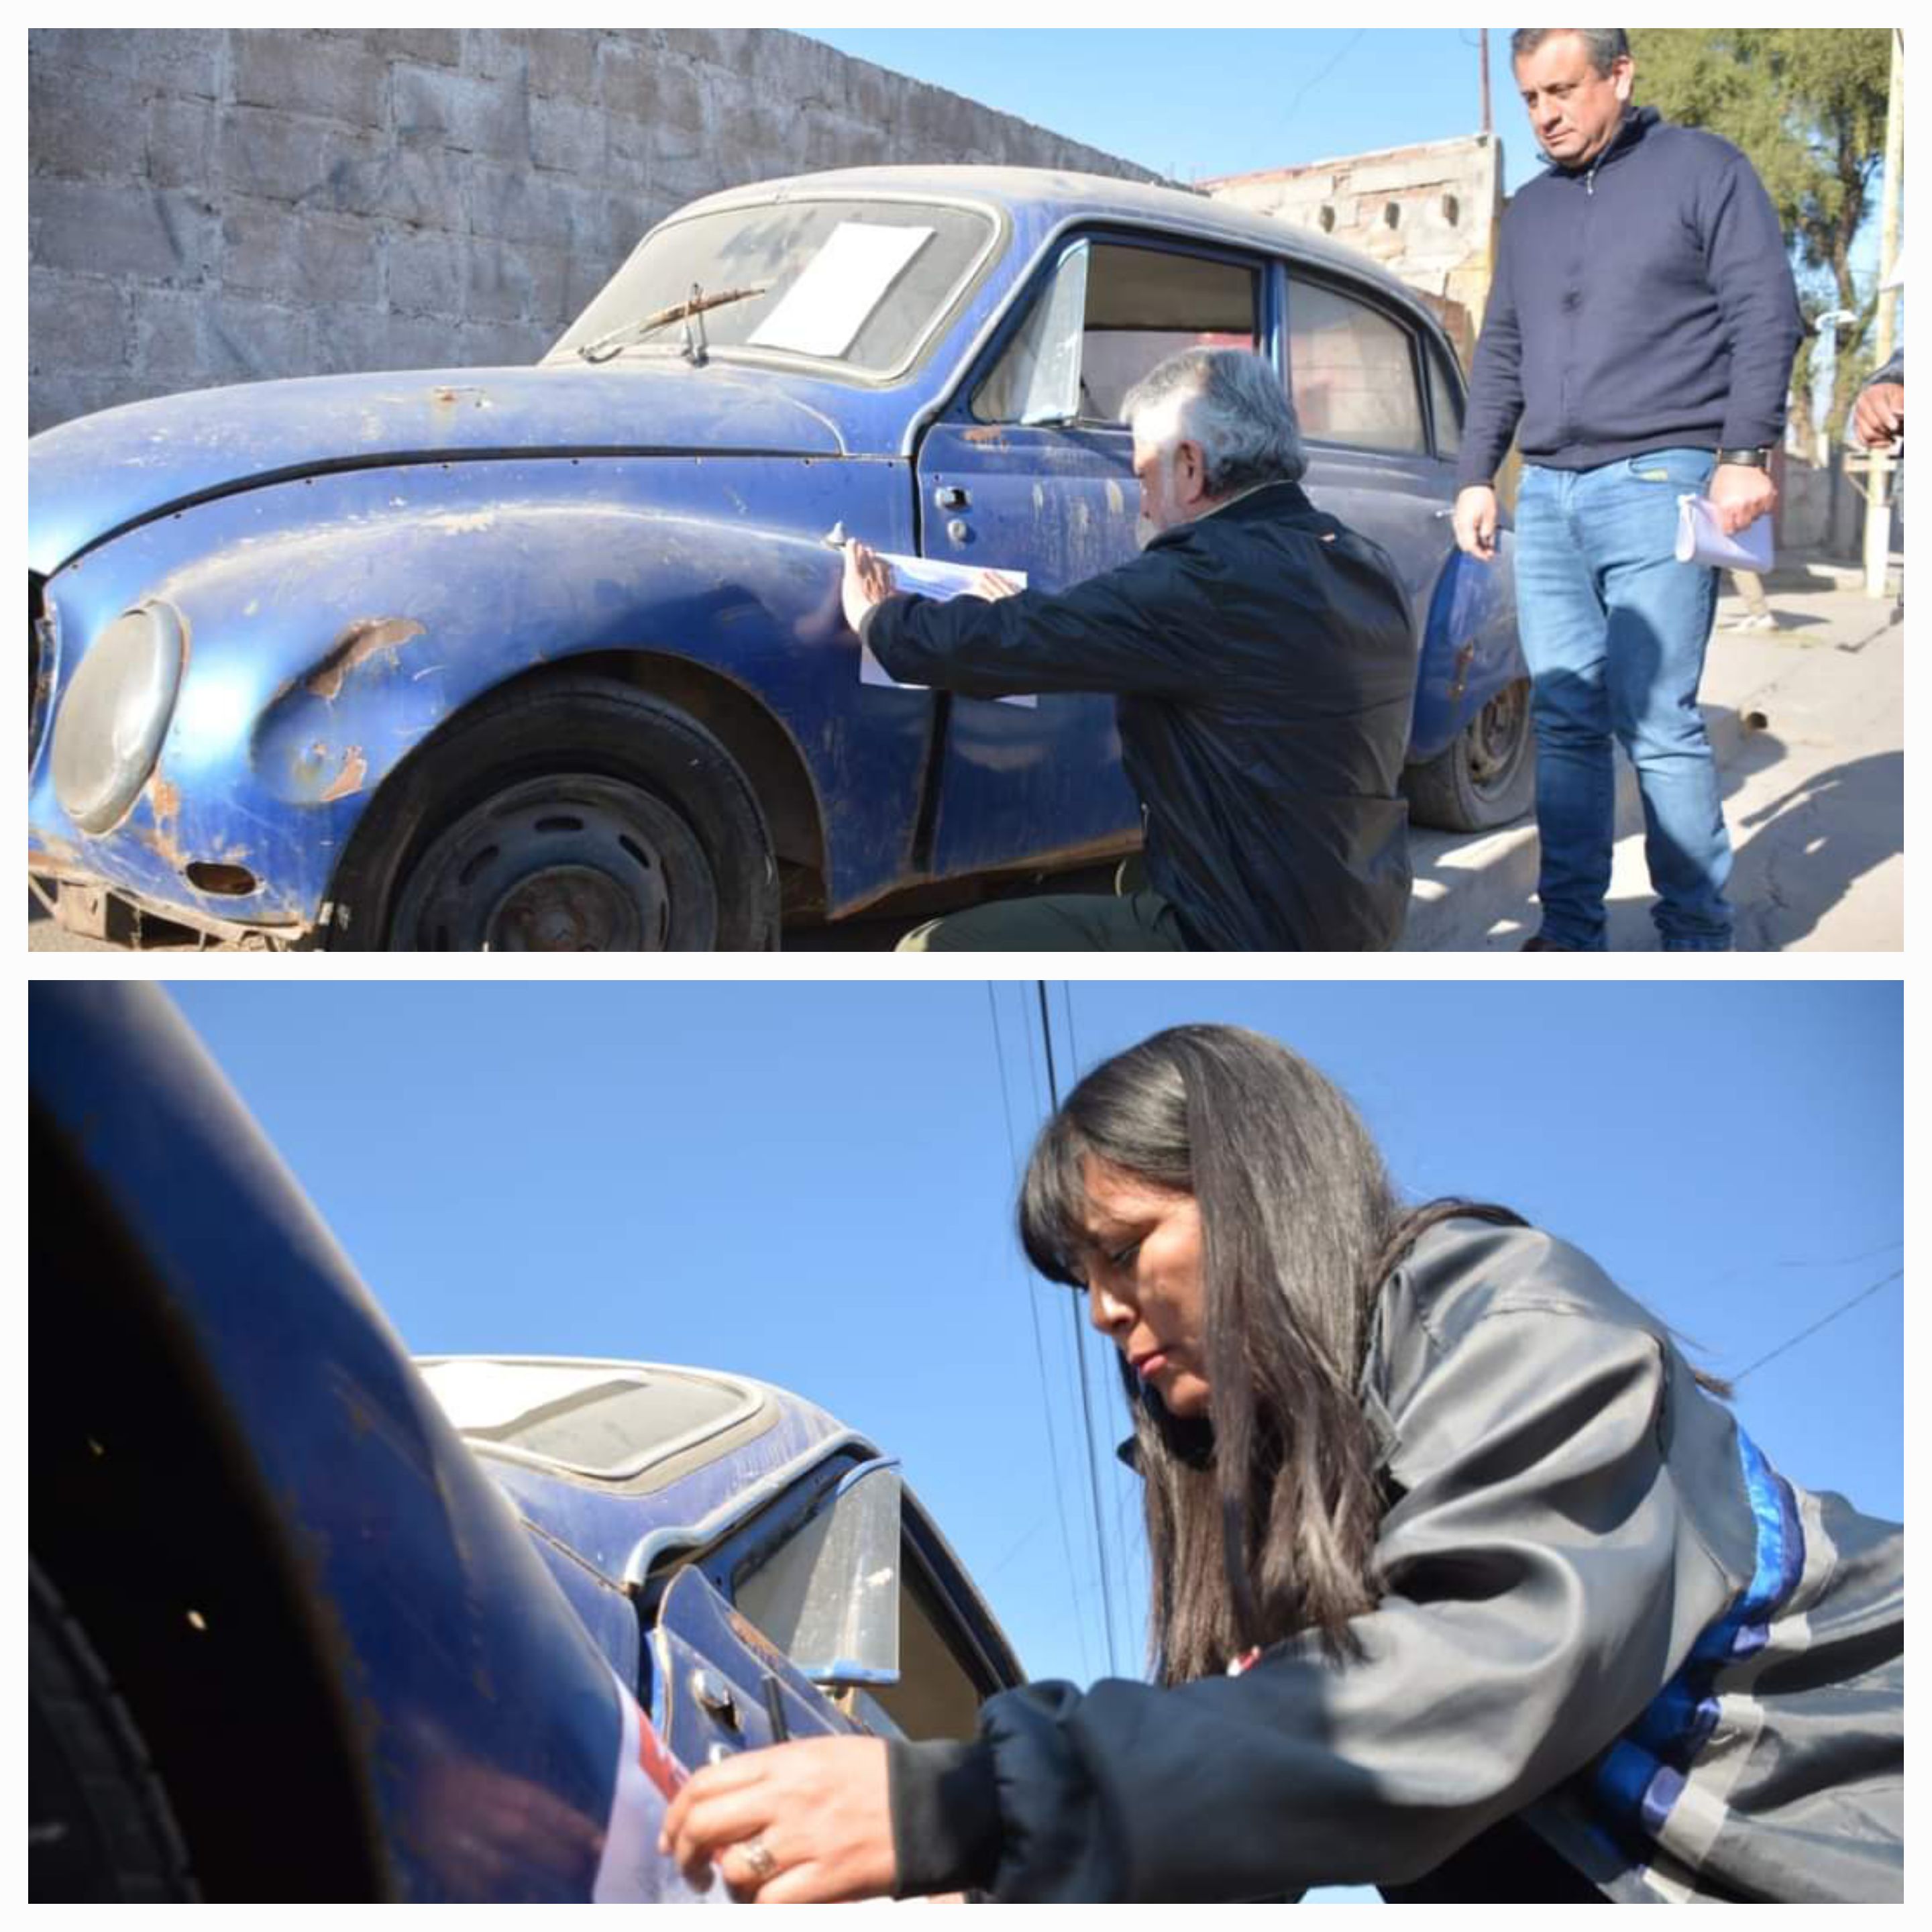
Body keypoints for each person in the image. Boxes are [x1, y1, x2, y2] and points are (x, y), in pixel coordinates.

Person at [659, 1025, 1903, 1903]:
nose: (1101, 1311)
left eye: (1125, 1249)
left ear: (1257, 1192)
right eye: (1078, 1281)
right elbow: (1252, 1806)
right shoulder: (1252, 1499)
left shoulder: (1505, 1319)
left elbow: (1473, 1681)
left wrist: (966, 1802)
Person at [841, 346, 1416, 952]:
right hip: (1360, 914)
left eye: (1143, 474)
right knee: (1132, 877)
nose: (1142, 502)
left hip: (1248, 932)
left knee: (930, 950)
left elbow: (1014, 645)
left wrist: (881, 617)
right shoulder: (1360, 560)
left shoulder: (1206, 578)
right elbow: (1207, 649)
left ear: (1191, 467)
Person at [1453, 30, 1805, 951]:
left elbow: (1767, 312)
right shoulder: (1528, 212)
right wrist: (1476, 475)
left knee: (1657, 718)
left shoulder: (1704, 171)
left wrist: (1744, 453)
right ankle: (1570, 930)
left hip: (1665, 477)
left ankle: (1694, 935)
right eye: (1530, 97)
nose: (1546, 114)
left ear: (1620, 76)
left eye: (1563, 90)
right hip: (1554, 496)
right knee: (1565, 722)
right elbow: (1502, 351)